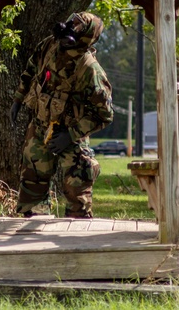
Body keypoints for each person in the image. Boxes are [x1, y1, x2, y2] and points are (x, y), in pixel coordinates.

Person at [8, 12, 113, 218]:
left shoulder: (90, 69)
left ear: (86, 35)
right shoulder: (49, 45)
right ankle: (34, 230)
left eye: (77, 25)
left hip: (70, 135)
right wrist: (18, 100)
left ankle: (77, 234)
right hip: (40, 126)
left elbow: (104, 114)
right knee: (32, 182)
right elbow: (31, 68)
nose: (69, 25)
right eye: (72, 20)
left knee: (77, 190)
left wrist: (71, 135)